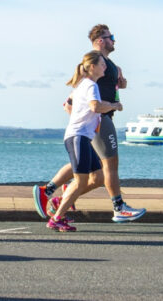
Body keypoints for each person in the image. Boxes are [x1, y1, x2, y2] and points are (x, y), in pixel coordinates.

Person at [33, 25, 146, 223]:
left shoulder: (109, 65)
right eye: (111, 37)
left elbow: (111, 87)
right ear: (100, 40)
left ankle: (54, 192)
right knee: (110, 166)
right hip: (101, 121)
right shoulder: (94, 62)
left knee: (94, 175)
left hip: (97, 123)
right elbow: (71, 99)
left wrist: (119, 80)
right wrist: (85, 120)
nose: (114, 40)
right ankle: (118, 207)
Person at [47, 50, 122, 232]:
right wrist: (113, 105)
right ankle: (57, 218)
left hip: (83, 137)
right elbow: (95, 106)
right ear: (92, 67)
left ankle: (61, 201)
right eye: (102, 64)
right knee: (81, 181)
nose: (105, 66)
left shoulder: (83, 85)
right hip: (77, 137)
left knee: (98, 177)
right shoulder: (90, 85)